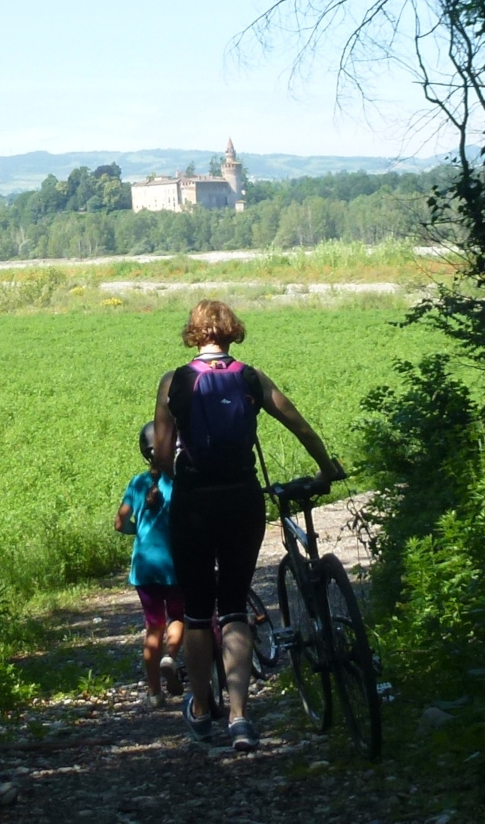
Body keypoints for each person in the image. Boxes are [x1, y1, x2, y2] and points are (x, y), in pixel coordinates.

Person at [153, 300, 340, 750]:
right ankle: (240, 718)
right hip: (242, 499)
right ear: (232, 331)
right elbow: (299, 424)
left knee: (198, 613)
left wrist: (166, 480)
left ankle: (201, 710)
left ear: (194, 333)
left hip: (194, 505)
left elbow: (161, 455)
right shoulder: (251, 377)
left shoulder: (172, 382)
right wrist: (326, 469)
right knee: (234, 605)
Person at [114, 421, 185, 709]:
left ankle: (154, 693)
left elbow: (120, 524)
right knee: (179, 617)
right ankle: (171, 656)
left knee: (153, 627)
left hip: (144, 567)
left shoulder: (136, 483)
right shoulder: (180, 483)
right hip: (175, 564)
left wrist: (139, 531)